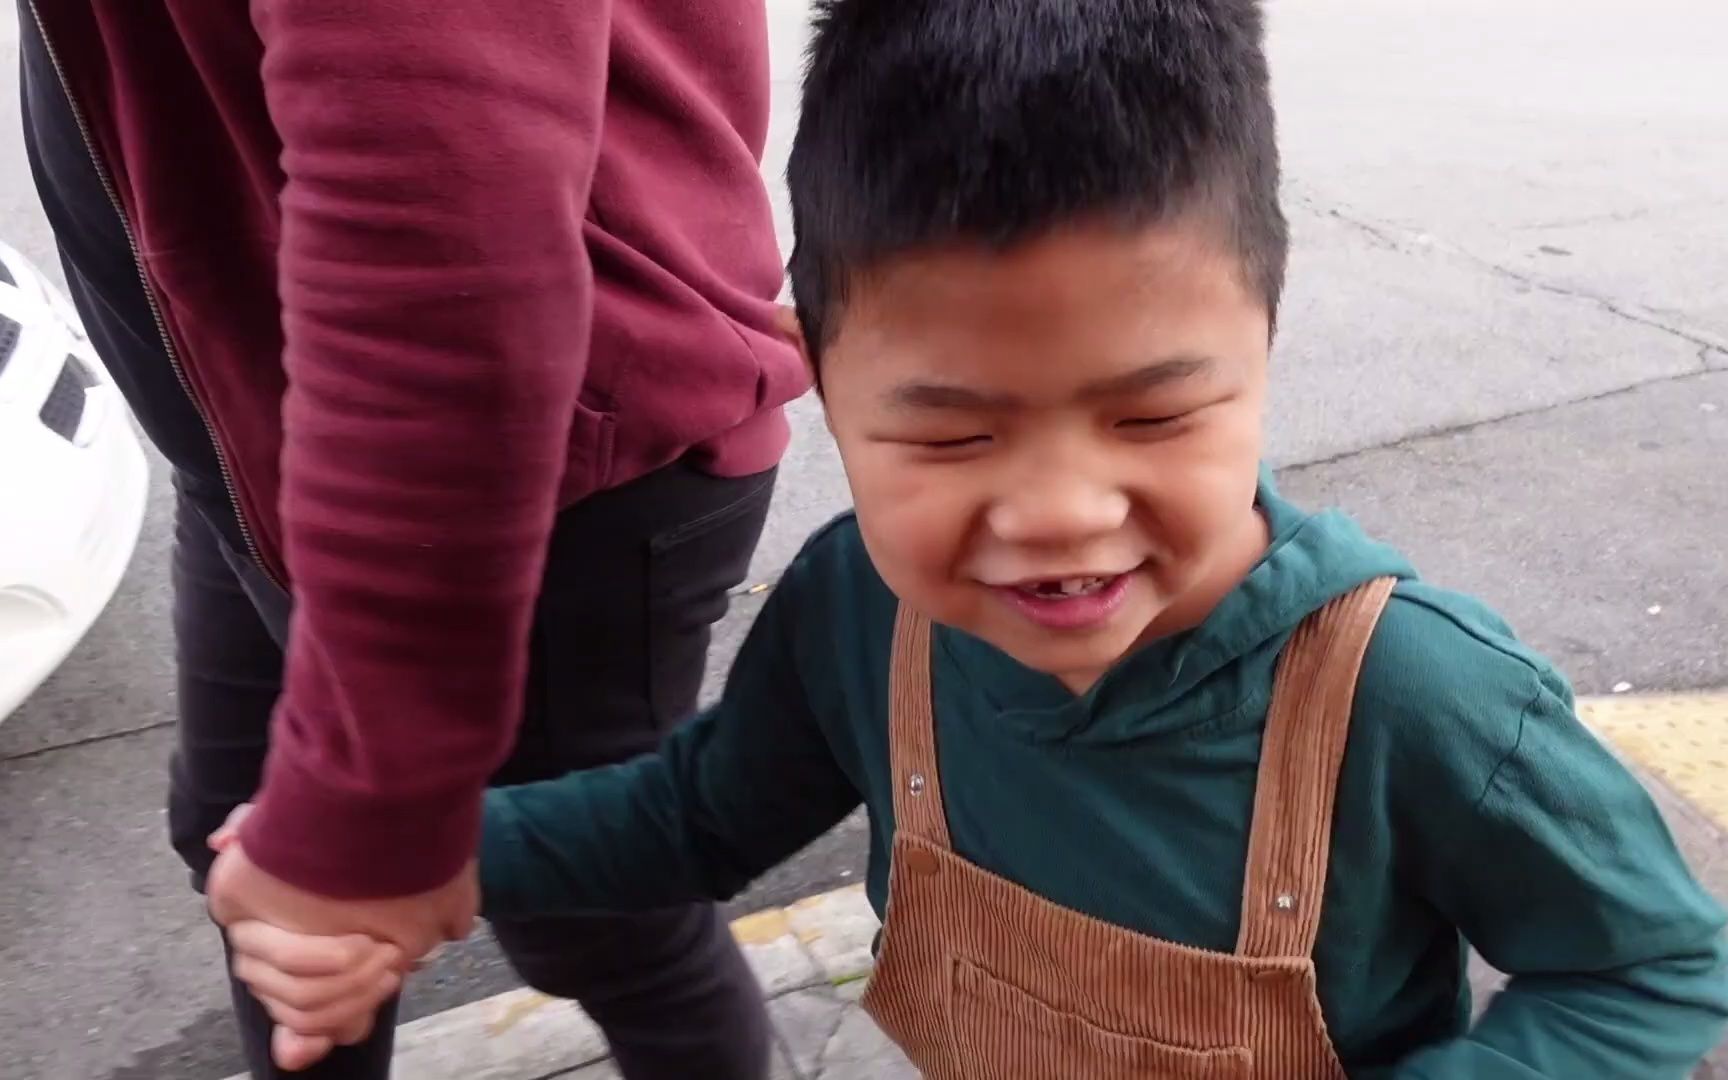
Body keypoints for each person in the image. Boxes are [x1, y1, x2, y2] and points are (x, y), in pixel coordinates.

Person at [218, 0, 1728, 1075]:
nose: (1061, 512)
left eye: (1151, 419)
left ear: (1263, 337)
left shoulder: (1417, 697)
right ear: (816, 365)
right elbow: (695, 819)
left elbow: (1652, 964)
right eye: (948, 434)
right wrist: (409, 856)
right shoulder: (859, 616)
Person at [18, 1, 804, 1077]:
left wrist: (368, 799)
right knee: (245, 850)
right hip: (253, 433)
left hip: (537, 482)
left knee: (599, 918)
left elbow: (452, 249)